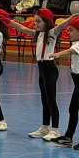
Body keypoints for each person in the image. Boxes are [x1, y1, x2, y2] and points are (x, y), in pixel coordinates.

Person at [10, 9, 61, 140]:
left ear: (47, 22)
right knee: (44, 99)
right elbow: (21, 27)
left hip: (50, 68)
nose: (36, 24)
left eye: (39, 21)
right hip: (41, 68)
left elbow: (62, 25)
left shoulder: (51, 33)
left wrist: (72, 17)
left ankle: (55, 129)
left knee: (51, 100)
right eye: (35, 21)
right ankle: (45, 127)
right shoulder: (37, 34)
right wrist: (5, 19)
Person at [50, 16, 79, 149]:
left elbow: (71, 51)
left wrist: (58, 54)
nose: (68, 32)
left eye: (71, 30)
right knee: (73, 109)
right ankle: (68, 137)